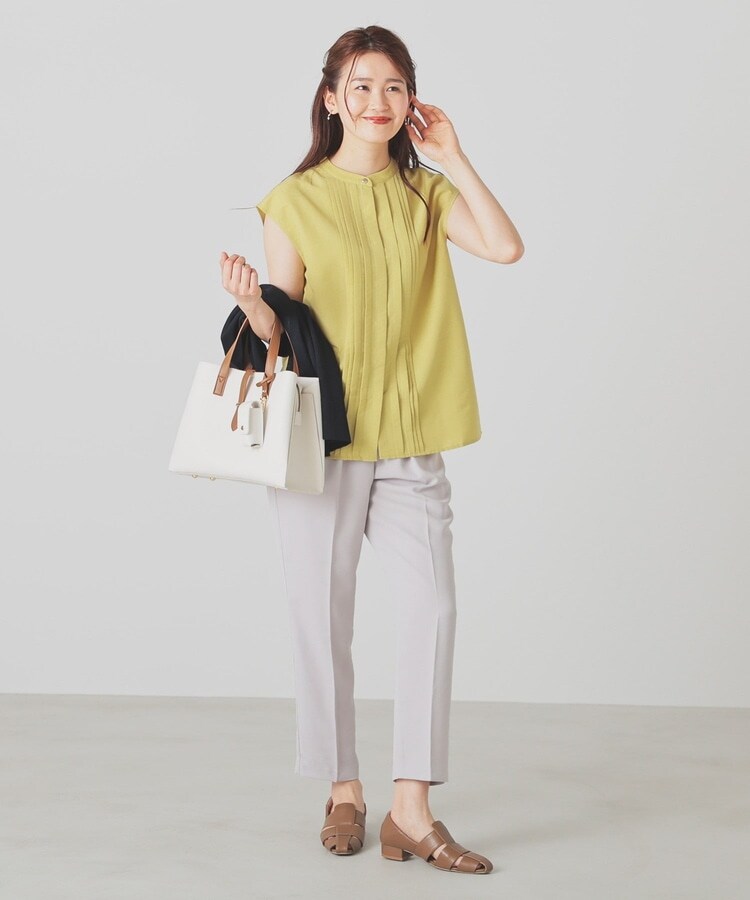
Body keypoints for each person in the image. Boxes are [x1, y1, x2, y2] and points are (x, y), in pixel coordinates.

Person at [218, 24, 523, 875]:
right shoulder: (294, 199)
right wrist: (253, 305)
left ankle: (411, 808)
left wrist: (454, 157)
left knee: (432, 610)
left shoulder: (426, 194)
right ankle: (343, 789)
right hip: (323, 439)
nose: (377, 101)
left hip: (413, 433)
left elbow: (505, 247)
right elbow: (283, 323)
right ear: (331, 99)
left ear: (410, 100)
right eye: (360, 85)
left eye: (393, 86)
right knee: (322, 617)